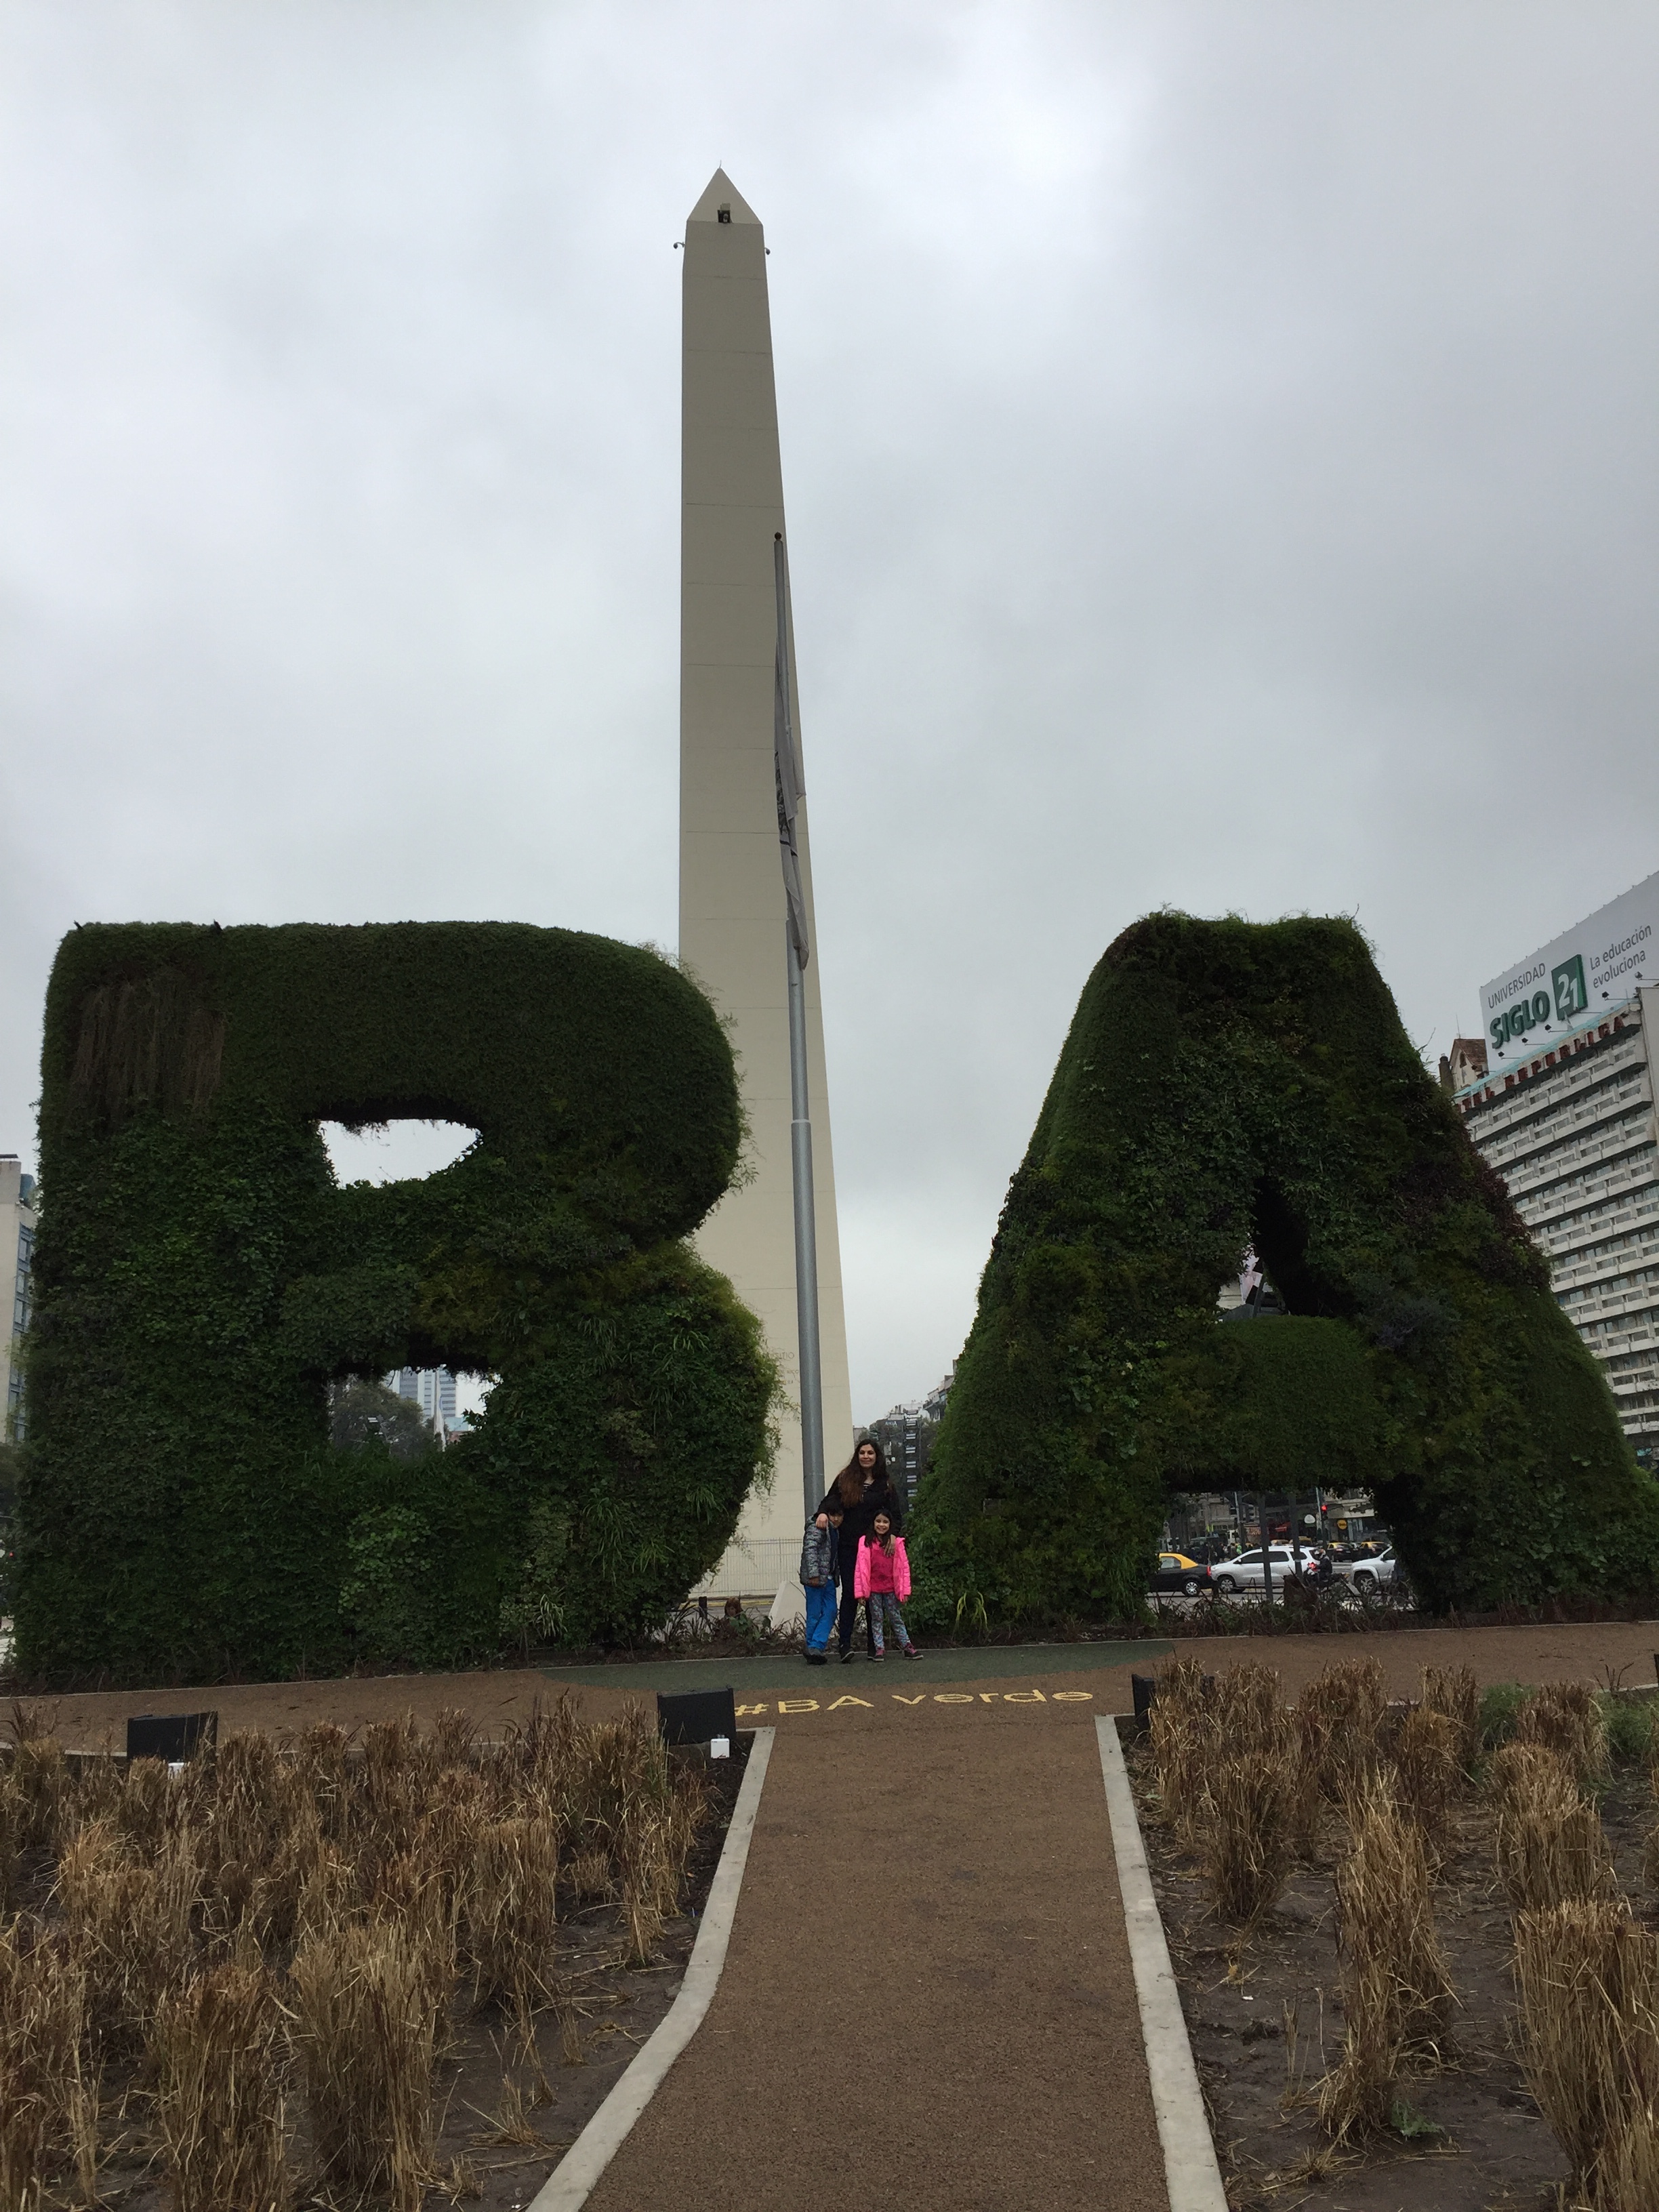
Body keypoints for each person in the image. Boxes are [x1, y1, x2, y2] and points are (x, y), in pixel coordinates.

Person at [819, 1438, 904, 1663]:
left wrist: (893, 1535)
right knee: (850, 1595)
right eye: (862, 1453)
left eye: (870, 1453)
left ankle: (874, 1646)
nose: (866, 1456)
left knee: (873, 1596)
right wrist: (822, 1513)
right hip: (849, 1546)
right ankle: (844, 1645)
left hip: (874, 1548)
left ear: (877, 1456)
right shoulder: (845, 1479)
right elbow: (829, 1501)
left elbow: (896, 1514)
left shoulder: (885, 1484)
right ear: (857, 1455)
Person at [853, 1510, 920, 1662]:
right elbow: (860, 1569)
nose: (881, 1525)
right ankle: (879, 1649)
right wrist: (861, 1593)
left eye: (885, 1522)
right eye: (878, 1521)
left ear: (890, 1524)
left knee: (896, 1617)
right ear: (873, 1523)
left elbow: (904, 1568)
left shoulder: (897, 1543)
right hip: (874, 1589)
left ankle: (907, 1646)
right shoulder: (865, 1542)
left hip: (891, 1589)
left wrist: (905, 1590)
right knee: (877, 1619)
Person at [800, 1504, 842, 1665]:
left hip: (829, 1578)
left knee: (830, 1611)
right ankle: (814, 1648)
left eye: (839, 1515)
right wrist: (814, 1574)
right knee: (815, 1613)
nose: (836, 1519)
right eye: (833, 1515)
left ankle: (814, 1646)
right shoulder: (817, 1527)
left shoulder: (835, 1531)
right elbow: (810, 1550)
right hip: (816, 1579)